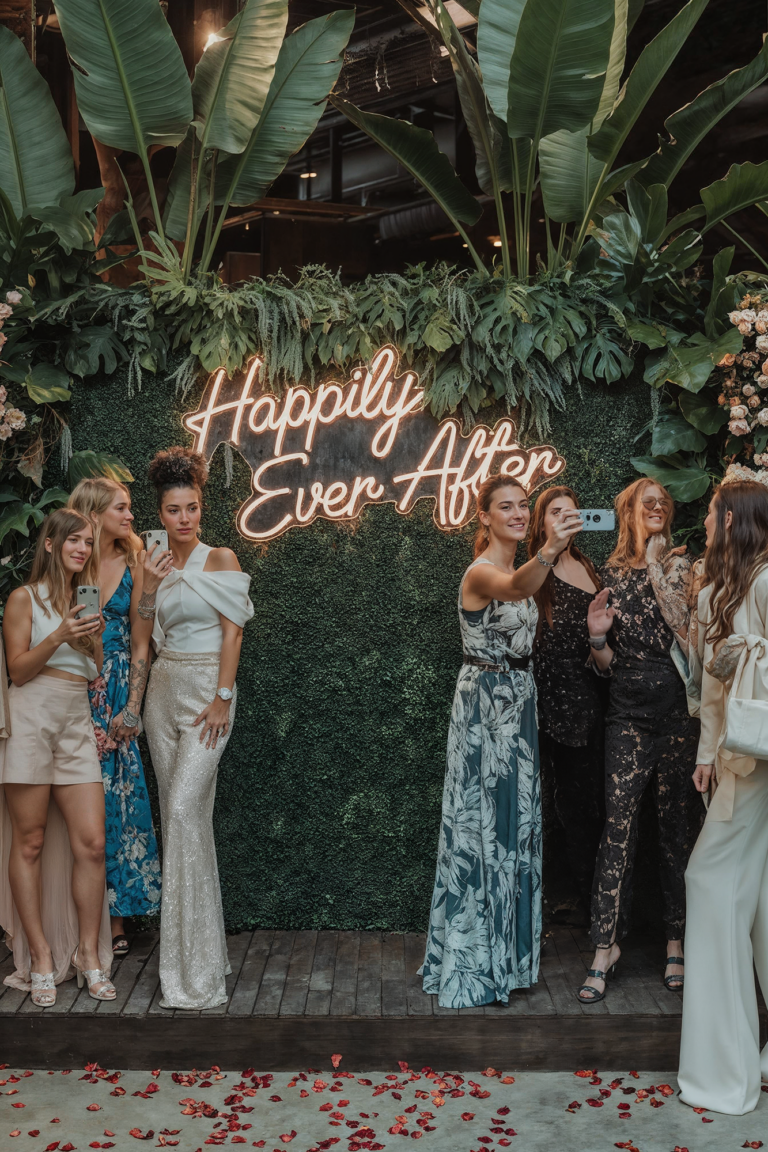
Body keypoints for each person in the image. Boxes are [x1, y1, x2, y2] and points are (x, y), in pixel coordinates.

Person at [421, 473, 584, 1008]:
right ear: (485, 517)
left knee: (513, 827)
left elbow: (531, 602)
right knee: (479, 826)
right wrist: (553, 547)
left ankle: (508, 964)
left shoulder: (521, 569)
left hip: (519, 698)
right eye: (505, 507)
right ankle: (472, 964)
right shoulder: (484, 572)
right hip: (483, 701)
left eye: (522, 507)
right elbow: (514, 592)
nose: (517, 514)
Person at [576, 479, 702, 1004]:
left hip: (678, 713)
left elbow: (696, 639)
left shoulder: (685, 567)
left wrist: (661, 569)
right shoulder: (609, 575)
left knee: (679, 829)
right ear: (628, 510)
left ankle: (677, 941)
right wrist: (598, 636)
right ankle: (605, 946)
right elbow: (603, 668)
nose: (656, 506)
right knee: (618, 828)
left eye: (663, 501)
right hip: (626, 714)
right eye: (645, 500)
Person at [142, 447, 253, 1010]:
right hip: (161, 696)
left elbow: (234, 635)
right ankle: (196, 959)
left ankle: (195, 974)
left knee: (185, 812)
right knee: (184, 823)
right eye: (172, 509)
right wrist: (146, 585)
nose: (183, 518)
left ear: (200, 509)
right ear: (159, 514)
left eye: (191, 507)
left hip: (209, 695)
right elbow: (144, 637)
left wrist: (222, 697)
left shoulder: (221, 559)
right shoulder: (153, 561)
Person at [679, 473, 768, 1116]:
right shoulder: (711, 594)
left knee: (709, 883)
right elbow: (713, 696)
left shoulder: (767, 580)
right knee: (755, 903)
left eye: (712, 512)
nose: (704, 521)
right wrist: (707, 757)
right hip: (740, 763)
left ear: (733, 519)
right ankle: (736, 1063)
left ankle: (725, 1070)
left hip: (761, 769)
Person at [0, 509, 114, 1005]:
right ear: (50, 544)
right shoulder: (23, 598)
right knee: (30, 842)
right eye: (74, 540)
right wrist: (59, 635)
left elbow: (93, 672)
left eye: (88, 542)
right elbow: (18, 670)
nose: (83, 549)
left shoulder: (81, 601)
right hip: (30, 718)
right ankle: (42, 956)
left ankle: (88, 954)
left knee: (92, 843)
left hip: (73, 717)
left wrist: (92, 641)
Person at [68, 477, 172, 957]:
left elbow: (141, 639)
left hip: (116, 689)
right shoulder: (72, 563)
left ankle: (117, 917)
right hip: (74, 686)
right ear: (94, 513)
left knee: (119, 798)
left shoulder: (136, 561)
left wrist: (132, 708)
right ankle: (80, 916)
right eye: (122, 508)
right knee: (78, 799)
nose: (132, 517)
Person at [529, 486, 607, 924]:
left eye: (573, 513)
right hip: (540, 702)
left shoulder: (589, 567)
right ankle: (539, 904)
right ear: (542, 521)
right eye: (556, 512)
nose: (566, 518)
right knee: (540, 808)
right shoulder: (533, 569)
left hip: (586, 702)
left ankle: (588, 903)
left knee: (585, 808)